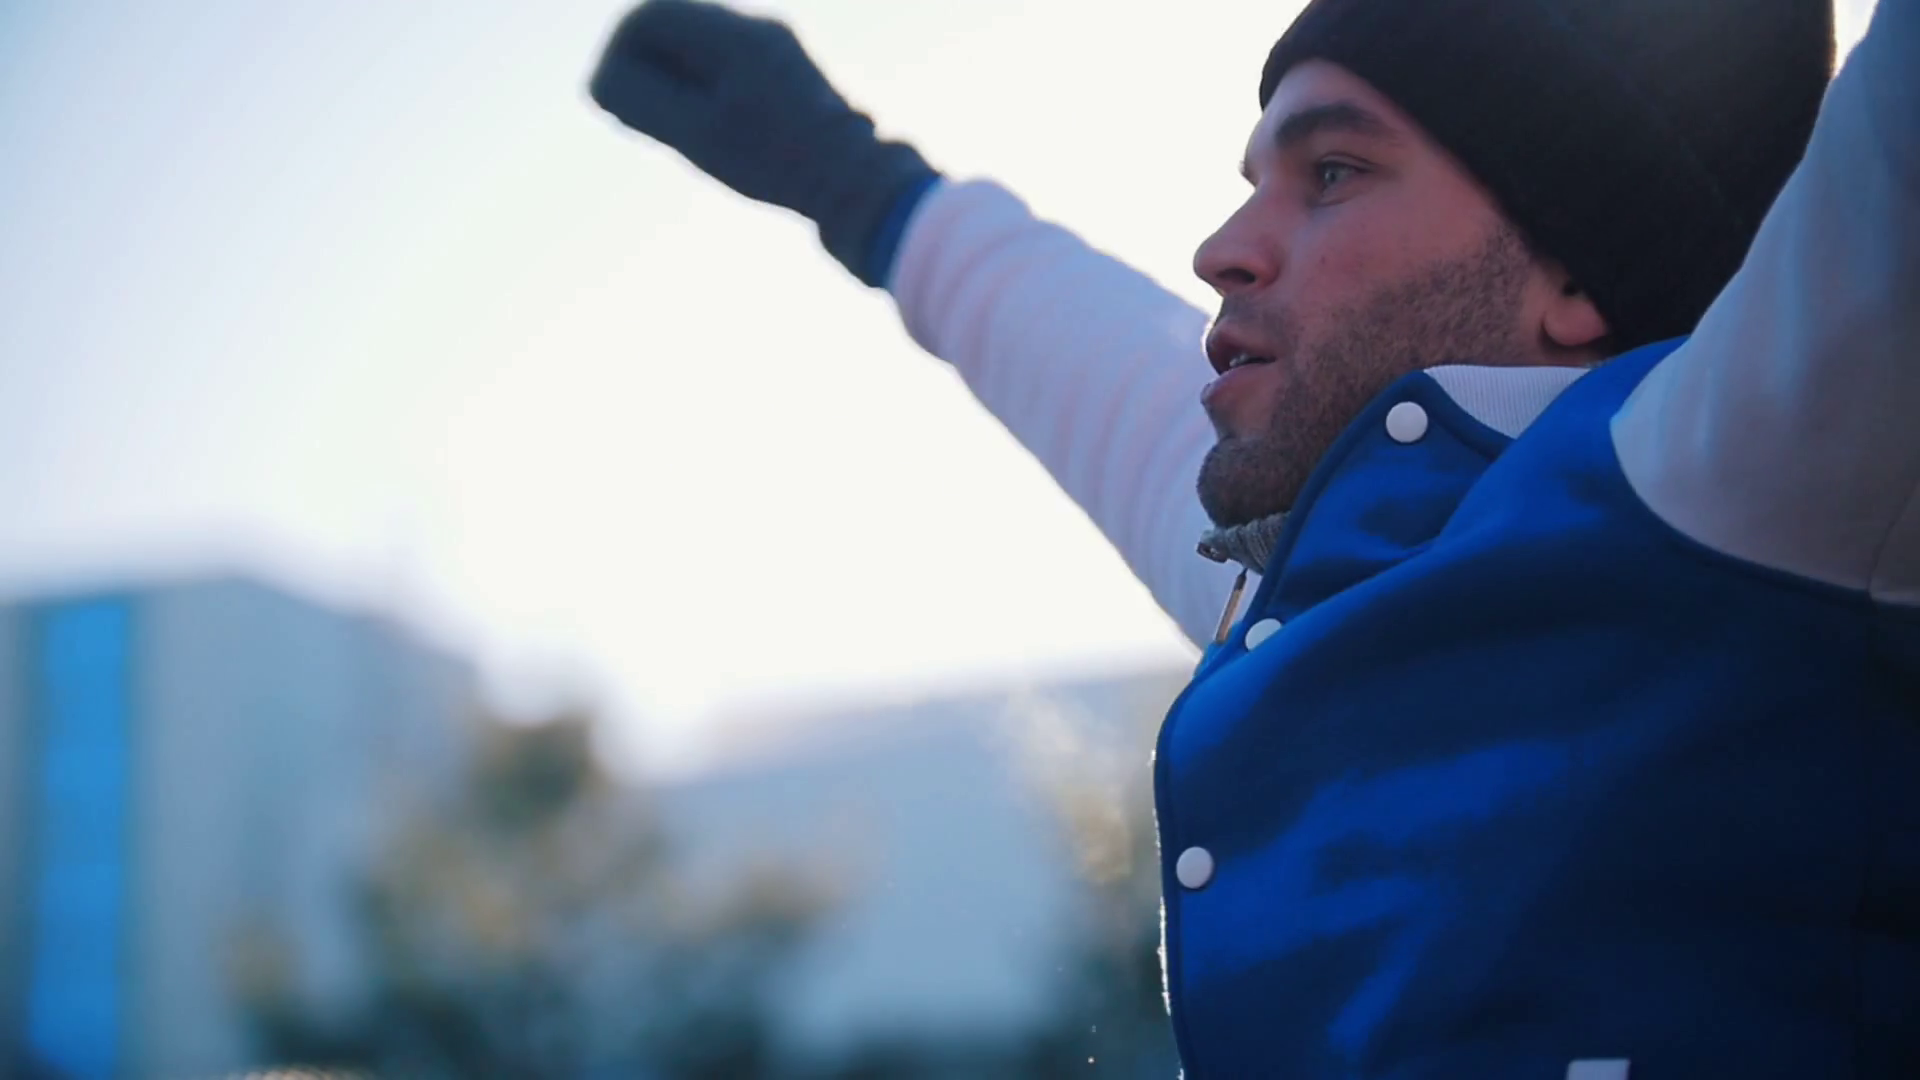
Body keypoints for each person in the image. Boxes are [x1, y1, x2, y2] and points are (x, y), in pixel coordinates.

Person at [587, 0, 1919, 1074]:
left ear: (1578, 268)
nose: (1221, 248)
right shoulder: (1312, 573)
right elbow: (1099, 365)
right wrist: (856, 181)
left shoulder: (1757, 474)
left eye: (1331, 172)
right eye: (1253, 182)